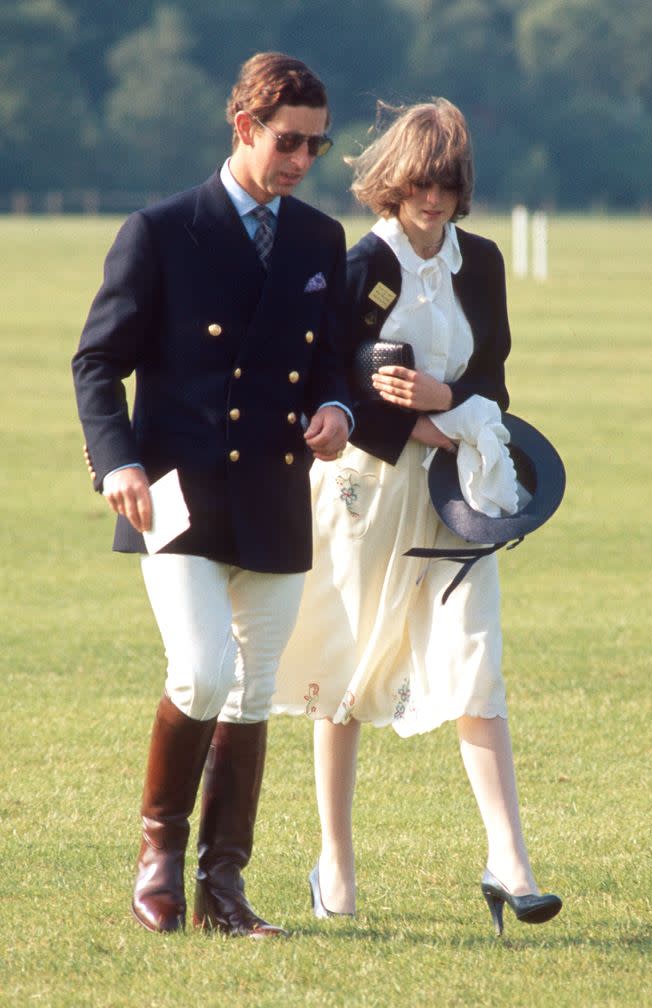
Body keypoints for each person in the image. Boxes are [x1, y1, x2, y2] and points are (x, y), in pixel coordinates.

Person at [72, 52, 352, 938]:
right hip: (175, 496)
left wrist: (339, 407)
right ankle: (158, 859)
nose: (301, 161)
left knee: (255, 691)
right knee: (201, 670)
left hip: (275, 494)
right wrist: (115, 461)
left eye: (316, 145)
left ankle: (222, 891)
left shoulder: (319, 239)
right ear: (244, 128)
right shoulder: (160, 230)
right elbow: (97, 362)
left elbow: (334, 359)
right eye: (287, 142)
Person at [272, 99, 562, 936]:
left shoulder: (485, 263)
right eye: (420, 184)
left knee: (476, 655)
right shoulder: (361, 262)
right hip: (364, 494)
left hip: (457, 494)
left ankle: (509, 860)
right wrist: (423, 420)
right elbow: (334, 383)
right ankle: (336, 862)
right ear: (392, 183)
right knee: (344, 673)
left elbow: (496, 389)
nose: (433, 200)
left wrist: (451, 407)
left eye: (448, 185)